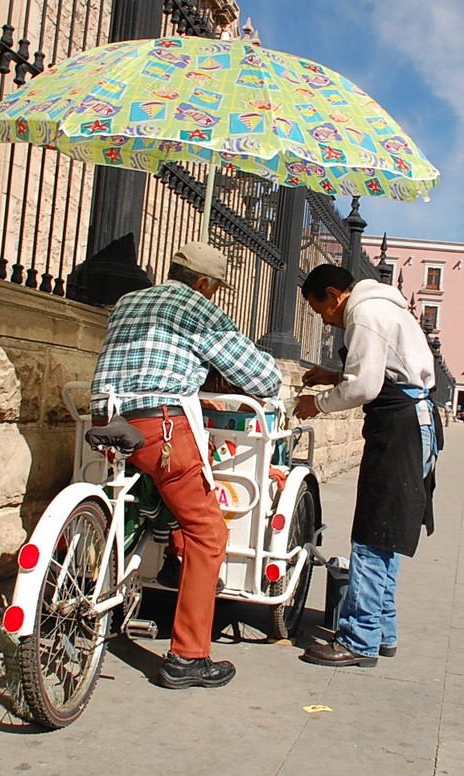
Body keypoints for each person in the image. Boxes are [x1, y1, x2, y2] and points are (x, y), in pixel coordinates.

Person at [90, 241, 282, 688]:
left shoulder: (130, 300)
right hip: (160, 428)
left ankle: (172, 559)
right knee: (210, 532)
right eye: (214, 288)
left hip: (106, 417)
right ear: (202, 283)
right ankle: (188, 657)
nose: (213, 295)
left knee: (168, 489)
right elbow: (264, 378)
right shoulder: (197, 307)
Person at [293, 263, 442, 668]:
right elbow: (383, 370)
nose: (325, 320)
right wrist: (333, 375)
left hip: (400, 426)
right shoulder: (382, 308)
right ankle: (382, 631)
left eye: (320, 310)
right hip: (412, 420)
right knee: (387, 531)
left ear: (333, 294)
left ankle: (359, 638)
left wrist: (317, 404)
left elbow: (364, 386)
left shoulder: (364, 313)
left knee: (373, 533)